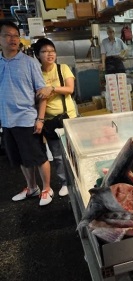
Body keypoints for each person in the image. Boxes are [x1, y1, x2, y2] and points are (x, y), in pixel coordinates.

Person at [0, 21, 53, 206]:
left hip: (27, 119)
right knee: (22, 159)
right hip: (7, 121)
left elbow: (42, 93)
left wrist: (40, 119)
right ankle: (32, 188)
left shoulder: (29, 63)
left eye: (15, 35)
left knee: (38, 157)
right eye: (8, 35)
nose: (13, 39)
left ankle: (46, 189)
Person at [33, 38, 77, 197]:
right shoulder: (37, 72)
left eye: (52, 51)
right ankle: (65, 183)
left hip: (69, 117)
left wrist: (51, 88)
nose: (49, 54)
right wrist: (41, 119)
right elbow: (40, 97)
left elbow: (70, 89)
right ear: (38, 55)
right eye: (44, 51)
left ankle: (77, 180)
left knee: (73, 152)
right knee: (57, 155)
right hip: (51, 121)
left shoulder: (62, 68)